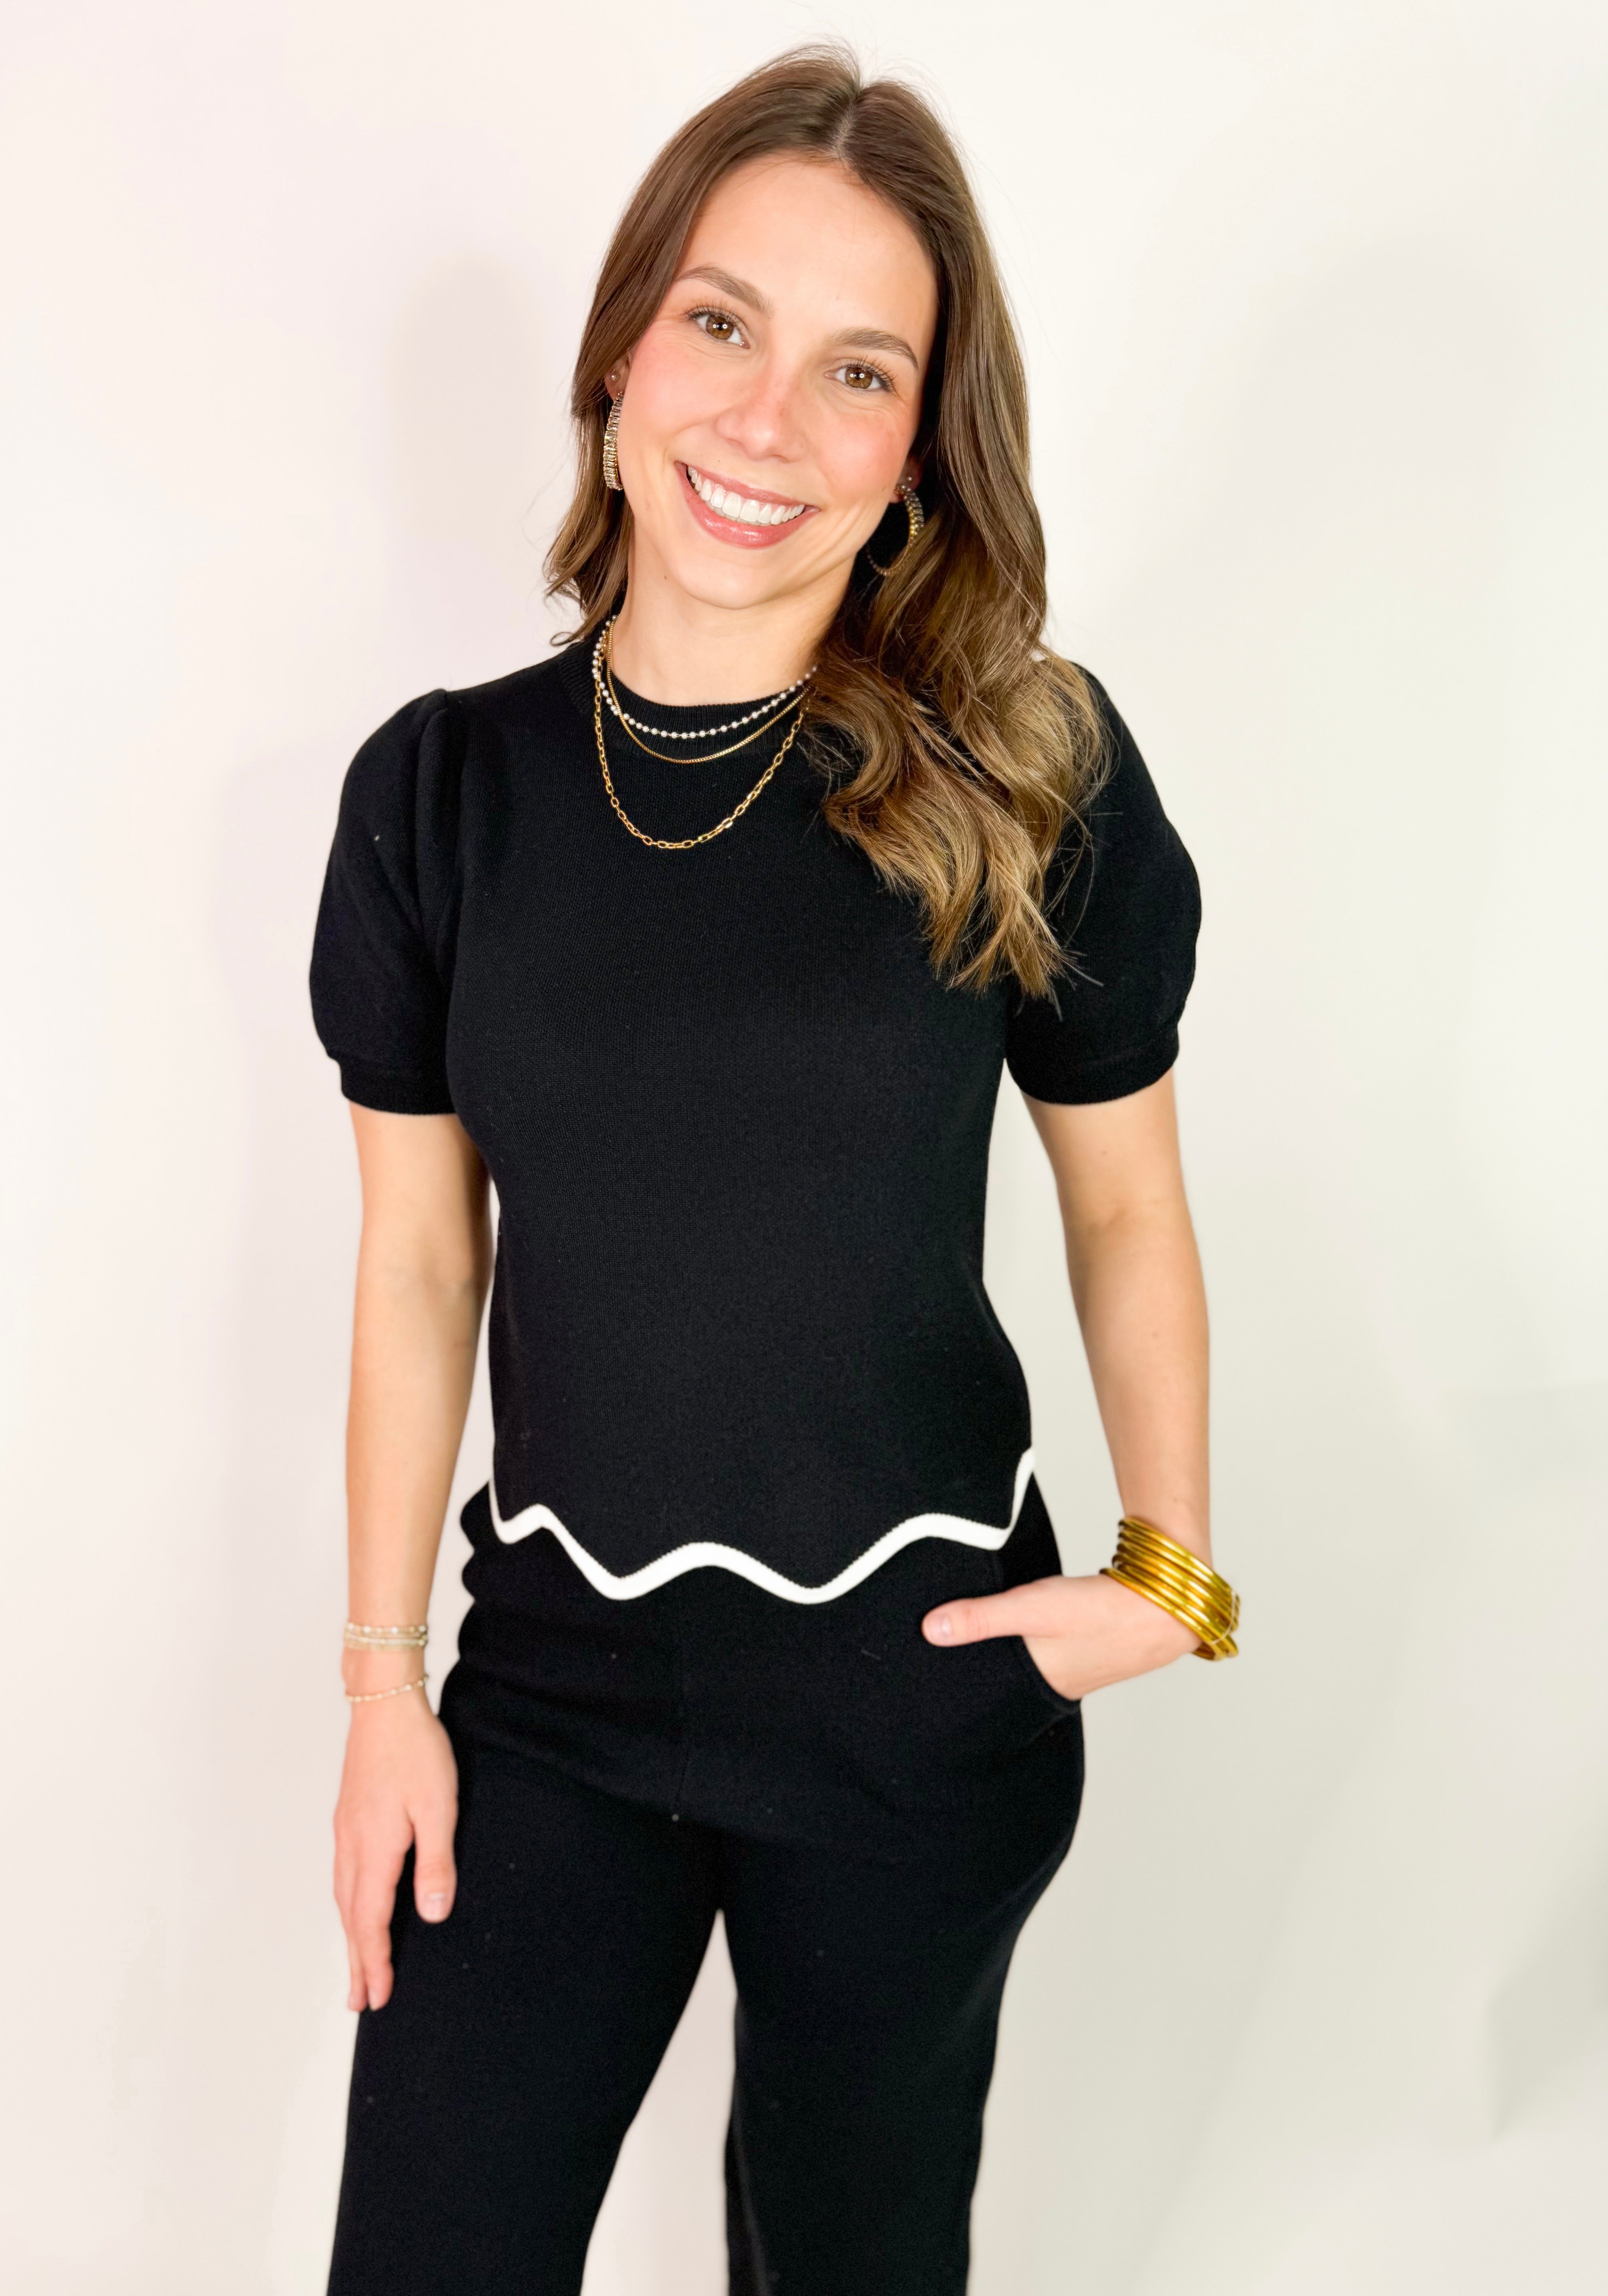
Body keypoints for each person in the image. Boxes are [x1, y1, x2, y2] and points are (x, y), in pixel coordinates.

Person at [309, 43, 1236, 2296]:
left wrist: (1169, 1573)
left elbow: (1125, 1203)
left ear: (920, 446)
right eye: (721, 323)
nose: (765, 422)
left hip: (920, 1696)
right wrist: (382, 1685)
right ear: (624, 348)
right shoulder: (440, 798)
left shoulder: (1024, 770)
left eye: (859, 371)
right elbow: (421, 1265)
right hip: (551, 1698)